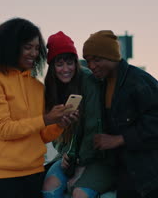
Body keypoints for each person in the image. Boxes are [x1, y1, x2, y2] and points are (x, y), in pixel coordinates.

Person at [0, 18, 78, 198]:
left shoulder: (37, 87)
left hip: (35, 174)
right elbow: (3, 129)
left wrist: (59, 124)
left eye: (37, 48)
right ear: (11, 46)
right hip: (3, 177)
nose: (34, 53)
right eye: (27, 47)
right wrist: (46, 119)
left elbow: (41, 136)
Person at [82, 30, 158, 198]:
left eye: (97, 59)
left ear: (112, 57)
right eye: (88, 61)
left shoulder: (139, 82)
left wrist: (118, 139)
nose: (92, 66)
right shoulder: (103, 84)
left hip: (155, 176)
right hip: (128, 175)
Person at [42, 31, 114, 198]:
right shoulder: (50, 89)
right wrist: (66, 153)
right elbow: (54, 132)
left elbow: (94, 127)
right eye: (59, 64)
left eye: (70, 63)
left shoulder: (89, 81)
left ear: (76, 62)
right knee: (49, 187)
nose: (66, 69)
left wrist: (80, 165)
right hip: (70, 155)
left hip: (98, 157)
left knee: (79, 193)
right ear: (52, 66)